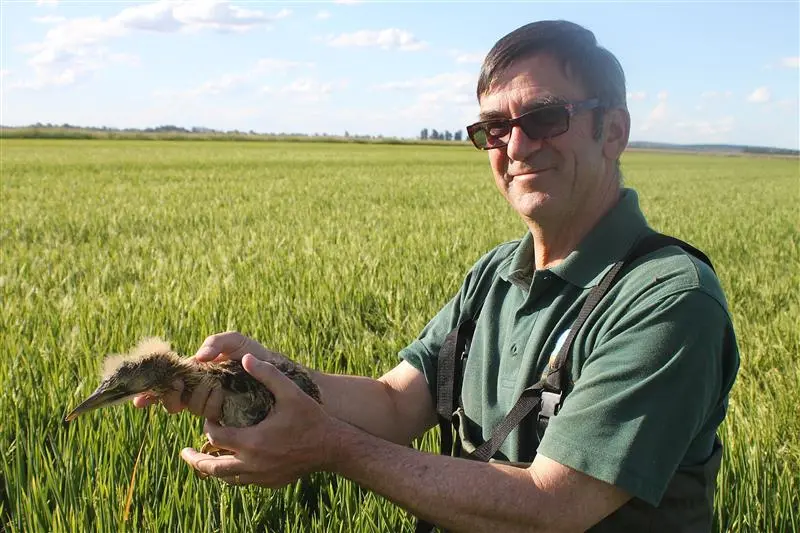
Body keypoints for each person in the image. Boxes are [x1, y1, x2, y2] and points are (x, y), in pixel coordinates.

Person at [134, 20, 740, 532]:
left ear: (613, 131)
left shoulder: (667, 300)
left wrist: (328, 446)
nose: (517, 145)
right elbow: (395, 402)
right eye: (493, 129)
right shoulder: (497, 275)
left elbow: (554, 508)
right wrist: (263, 374)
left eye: (546, 117)